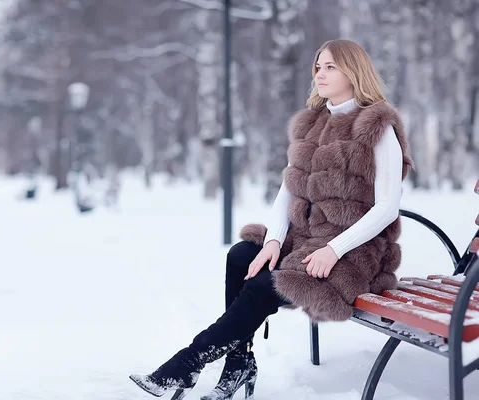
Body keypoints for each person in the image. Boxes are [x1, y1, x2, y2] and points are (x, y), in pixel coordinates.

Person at [129, 39, 414, 400]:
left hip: (355, 253)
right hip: (307, 238)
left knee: (267, 286)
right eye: (318, 66)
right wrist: (274, 241)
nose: (320, 74)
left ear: (353, 71)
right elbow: (289, 190)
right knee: (241, 255)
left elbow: (387, 207)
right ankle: (238, 364)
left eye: (331, 67)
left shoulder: (376, 127)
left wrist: (333, 248)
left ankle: (185, 366)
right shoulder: (313, 123)